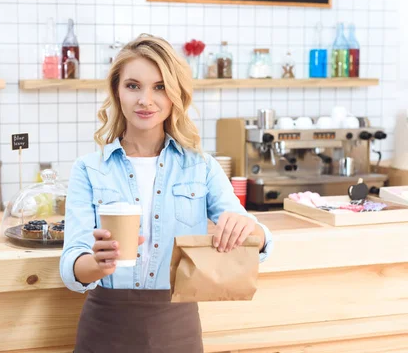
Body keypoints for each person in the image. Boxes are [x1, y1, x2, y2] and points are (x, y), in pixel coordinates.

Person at [59, 34, 273, 353]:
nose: (146, 100)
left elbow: (259, 241)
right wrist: (98, 263)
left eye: (159, 87)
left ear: (175, 94)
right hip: (105, 327)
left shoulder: (201, 166)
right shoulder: (88, 169)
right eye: (133, 86)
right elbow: (72, 263)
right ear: (117, 92)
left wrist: (249, 228)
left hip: (177, 327)